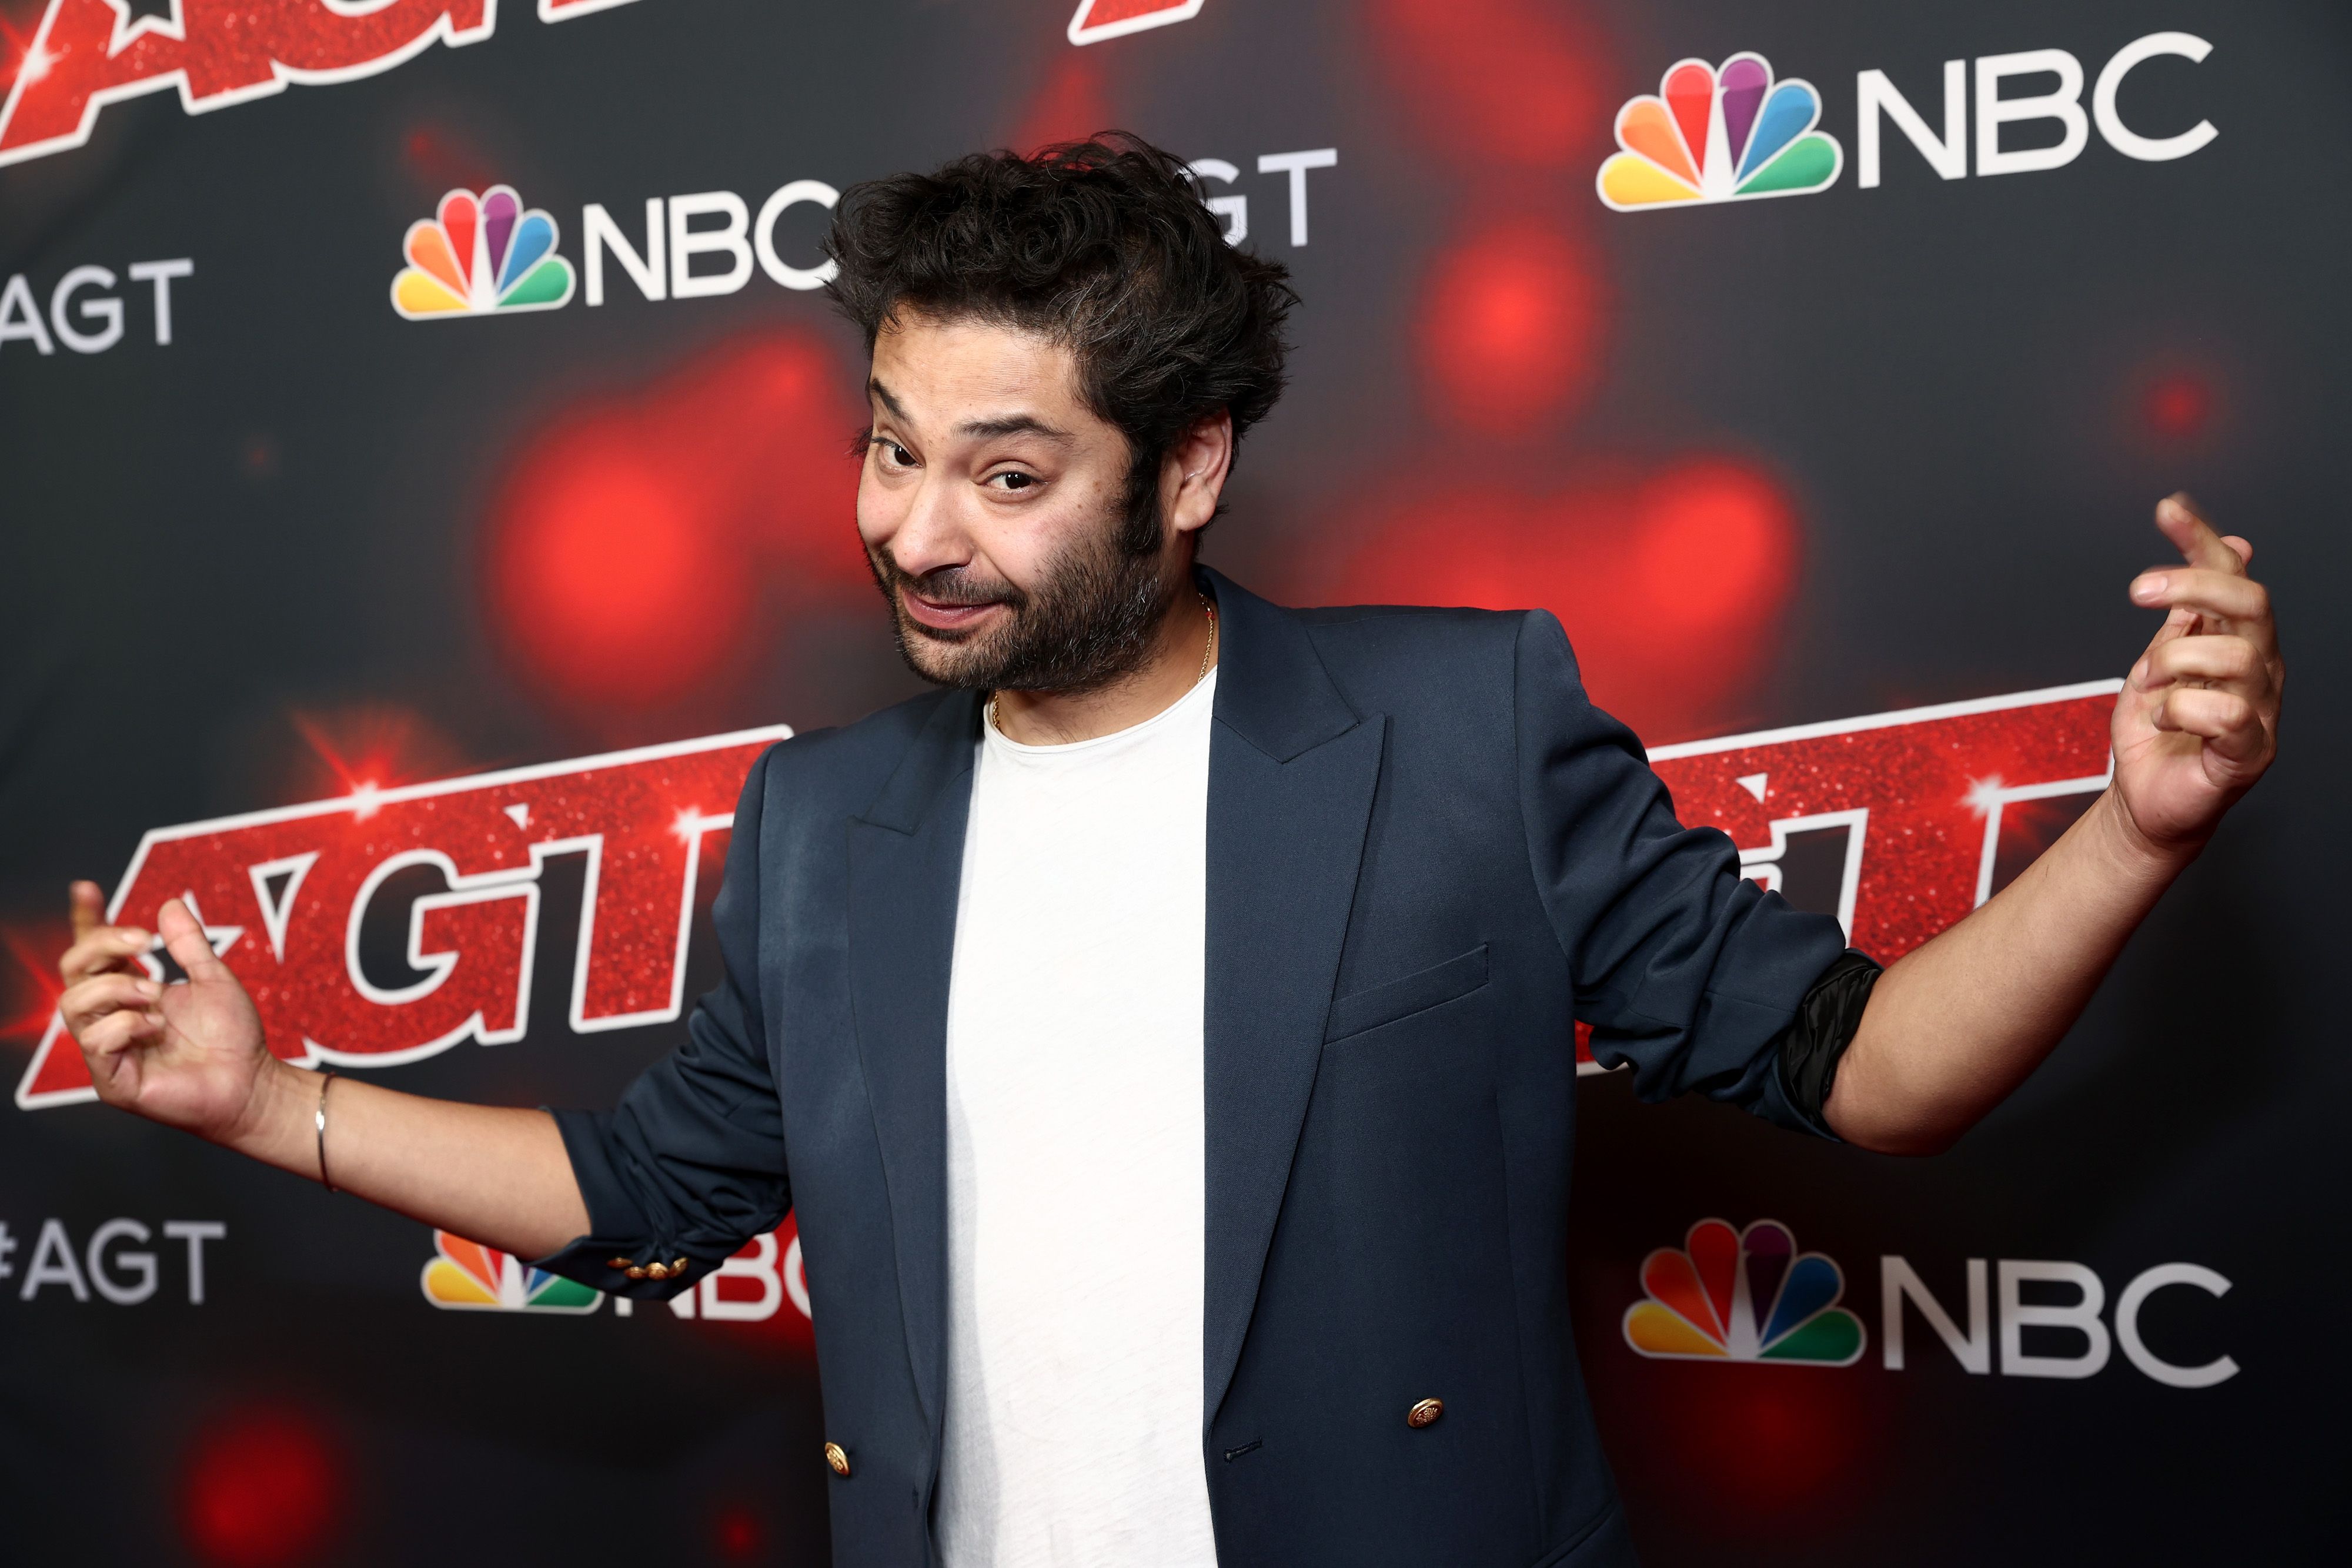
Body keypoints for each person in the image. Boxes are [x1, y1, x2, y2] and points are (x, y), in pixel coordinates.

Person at [56, 136, 2281, 1568]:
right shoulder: (827, 820)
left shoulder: (1461, 721)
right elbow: (647, 1195)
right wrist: (270, 1101)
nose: (915, 531)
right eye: (891, 446)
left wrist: (2133, 832)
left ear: (1188, 465)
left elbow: (1875, 1067)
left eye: (1007, 475)